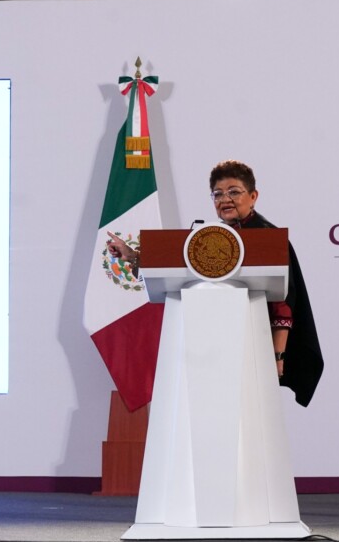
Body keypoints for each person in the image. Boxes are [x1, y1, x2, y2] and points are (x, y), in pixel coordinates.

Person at [106, 160, 323, 407]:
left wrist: (276, 356)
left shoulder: (269, 240)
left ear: (253, 196)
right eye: (218, 194)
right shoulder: (210, 238)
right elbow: (181, 266)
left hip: (254, 345)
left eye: (234, 192)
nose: (225, 199)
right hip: (209, 349)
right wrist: (133, 256)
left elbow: (283, 305)